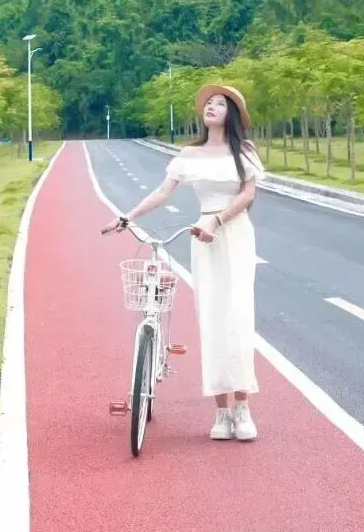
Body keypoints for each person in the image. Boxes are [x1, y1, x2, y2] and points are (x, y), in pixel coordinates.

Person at [102, 84, 264, 441]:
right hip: (203, 238)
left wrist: (217, 221)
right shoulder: (189, 154)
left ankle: (242, 407)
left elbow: (247, 195)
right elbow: (163, 193)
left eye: (220, 103)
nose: (211, 107)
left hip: (234, 233)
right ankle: (221, 411)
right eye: (208, 103)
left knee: (238, 318)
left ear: (232, 114)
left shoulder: (245, 152)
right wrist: (127, 217)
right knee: (212, 319)